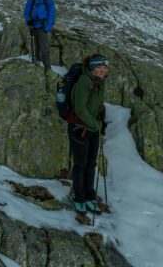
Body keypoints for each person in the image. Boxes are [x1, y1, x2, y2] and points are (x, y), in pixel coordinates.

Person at [69, 53, 109, 216]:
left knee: (91, 165)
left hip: (92, 129)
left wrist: (100, 122)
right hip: (80, 129)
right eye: (99, 67)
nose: (102, 70)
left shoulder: (99, 82)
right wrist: (96, 124)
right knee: (80, 165)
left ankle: (89, 197)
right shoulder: (84, 81)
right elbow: (80, 108)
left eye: (104, 68)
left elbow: (96, 105)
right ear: (92, 67)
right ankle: (79, 198)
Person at [23, 0, 56, 73]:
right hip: (33, 27)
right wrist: (28, 20)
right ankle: (36, 67)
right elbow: (26, 12)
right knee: (34, 49)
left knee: (44, 50)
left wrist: (47, 28)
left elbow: (51, 14)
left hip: (43, 27)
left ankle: (47, 69)